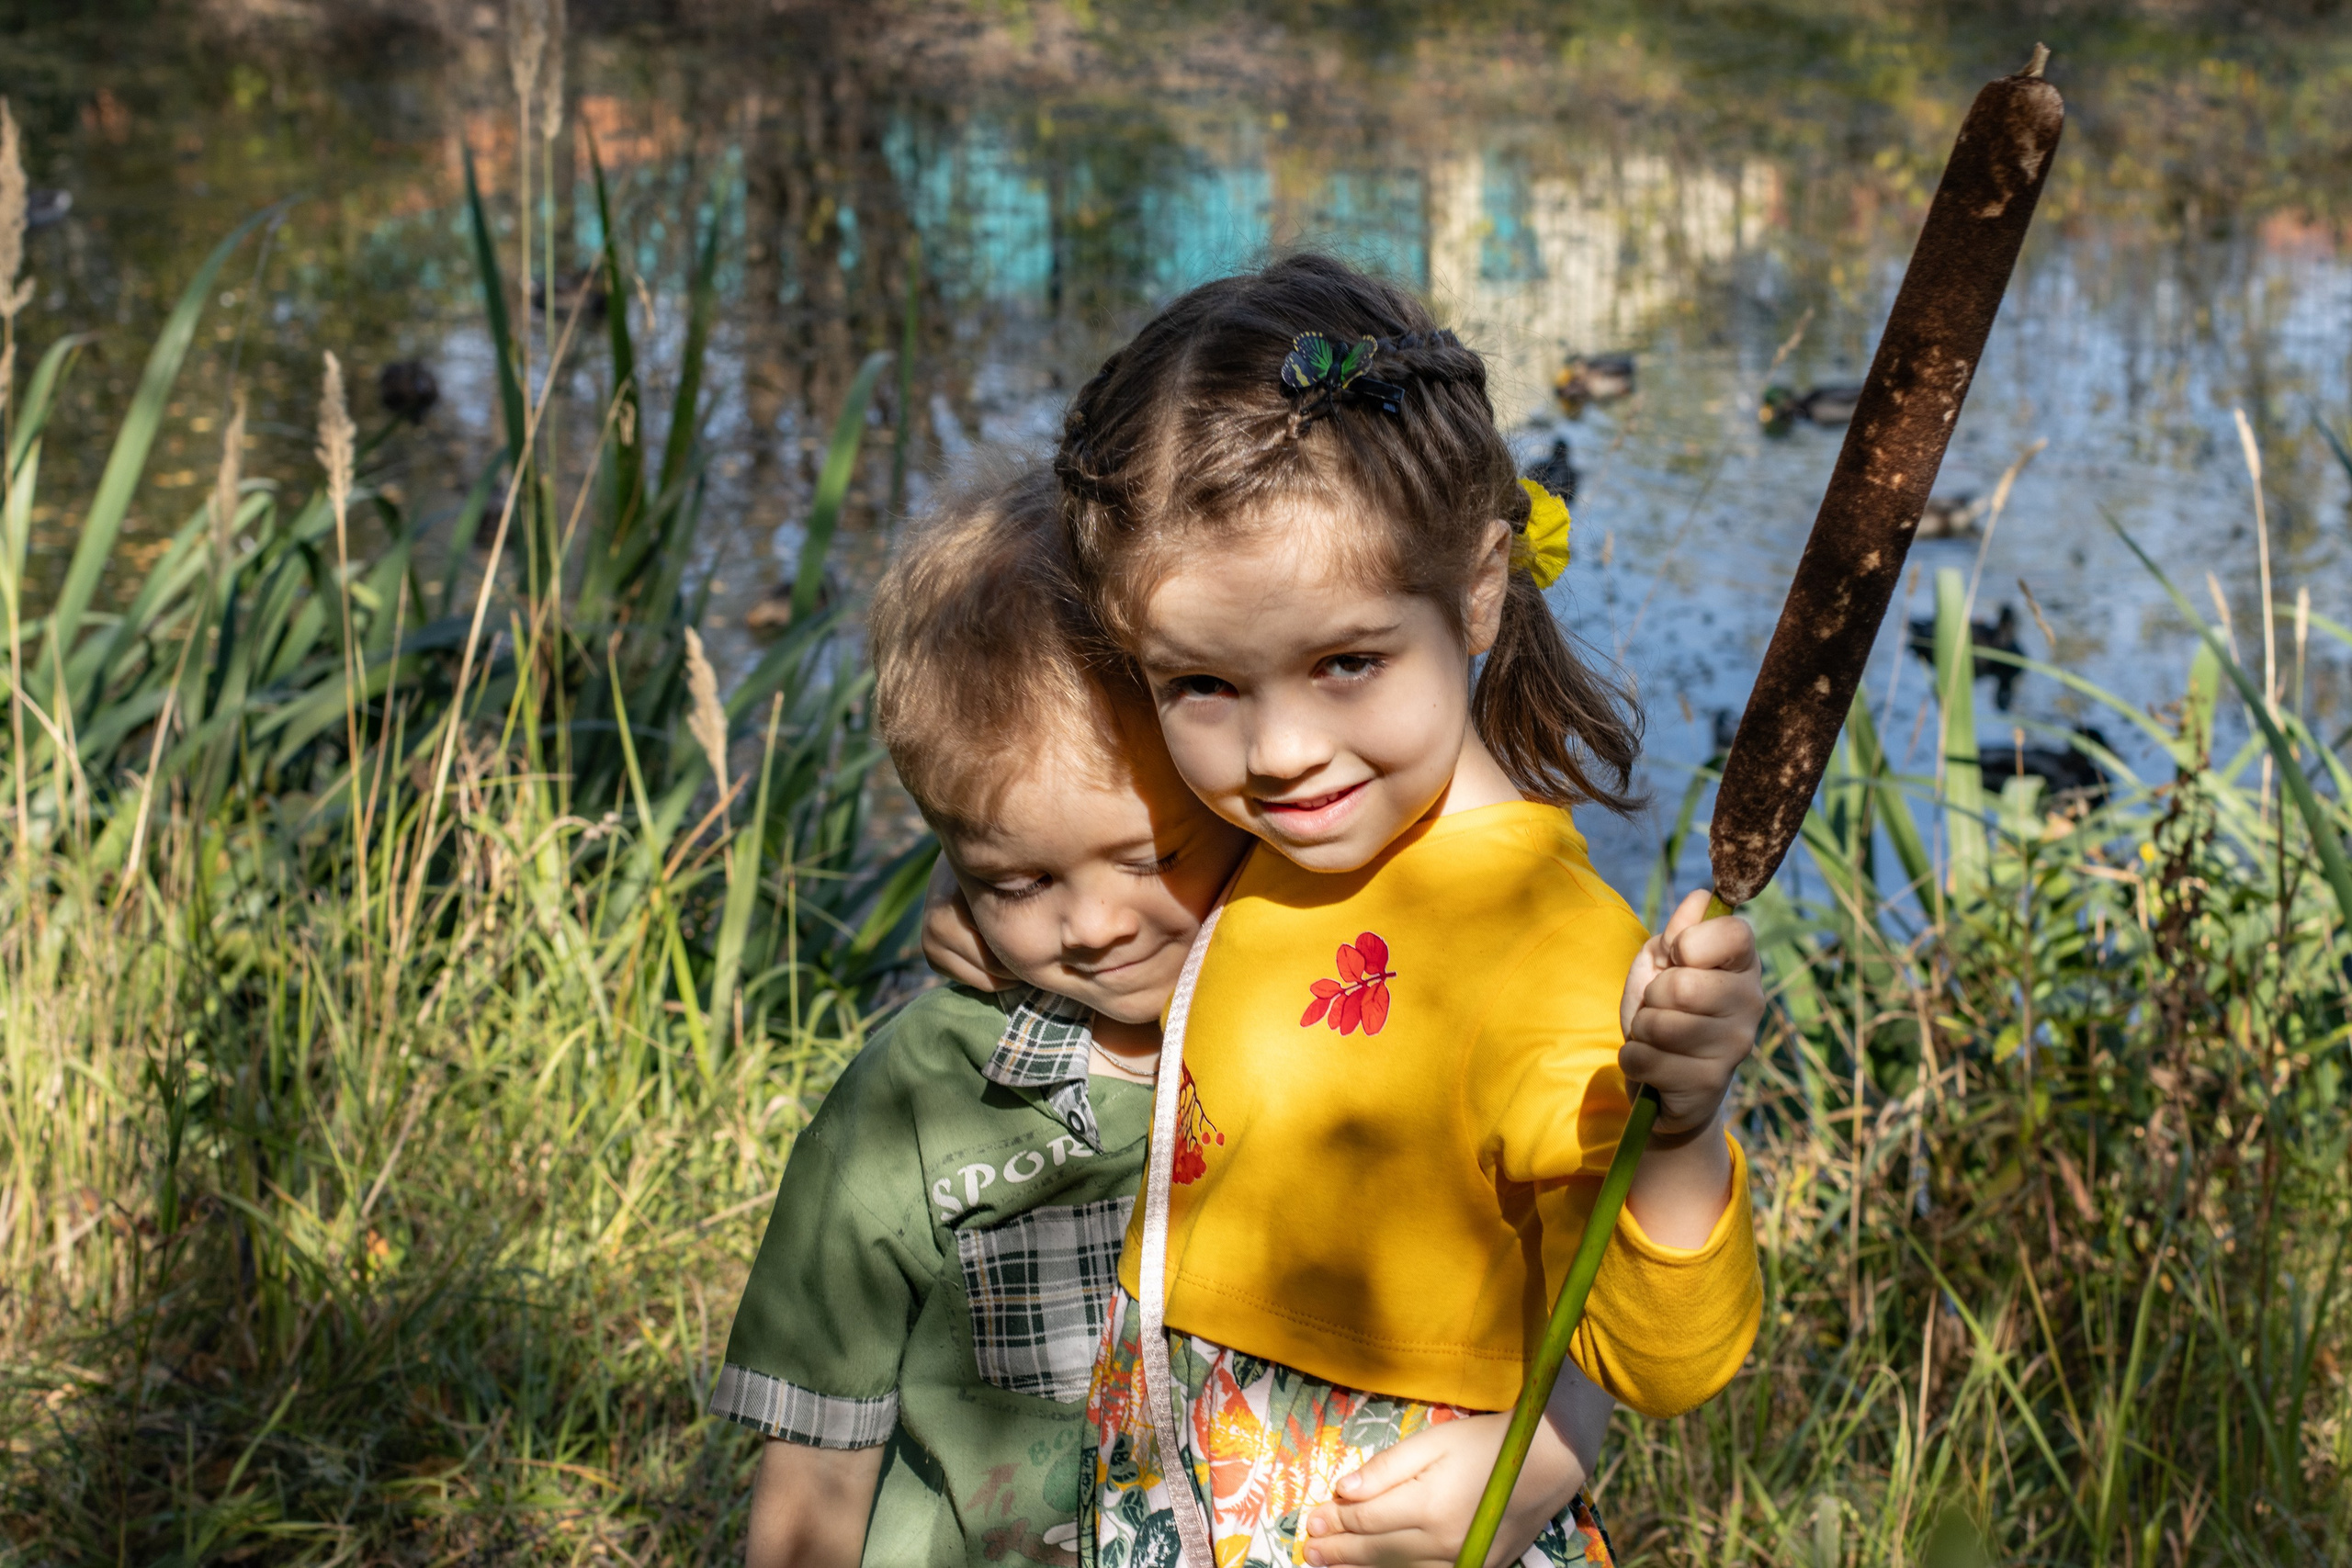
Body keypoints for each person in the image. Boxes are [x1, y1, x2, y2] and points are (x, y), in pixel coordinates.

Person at [717, 468, 1623, 1568]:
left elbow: (1560, 1272)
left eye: (1152, 858)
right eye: (1015, 882)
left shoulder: (1390, 1016)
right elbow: (815, 1459)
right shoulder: (918, 1102)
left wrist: (1558, 1443)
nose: (1093, 927)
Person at [1046, 254, 1769, 1568]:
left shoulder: (1542, 942)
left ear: (1481, 588)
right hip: (1172, 1482)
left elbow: (1672, 1355)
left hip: (1387, 1525)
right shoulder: (1238, 837)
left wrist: (1685, 1125)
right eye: (1202, 681)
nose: (1278, 750)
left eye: (1347, 663)